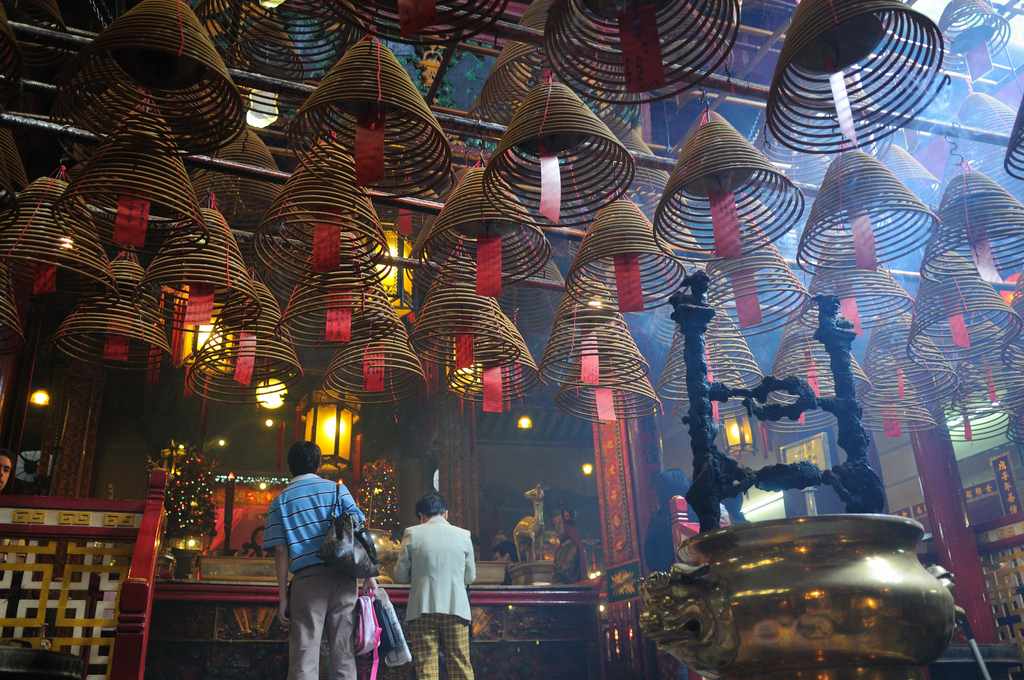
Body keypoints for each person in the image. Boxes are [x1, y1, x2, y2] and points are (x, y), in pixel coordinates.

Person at [262, 441, 374, 680]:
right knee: (344, 653)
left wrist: (283, 598)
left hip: (307, 581)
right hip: (344, 578)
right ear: (319, 464)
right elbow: (360, 531)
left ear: (290, 467)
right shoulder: (337, 490)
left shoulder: (279, 502)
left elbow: (281, 552)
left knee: (304, 653)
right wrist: (370, 576)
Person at [394, 492, 475, 680]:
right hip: (456, 609)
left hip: (423, 608)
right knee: (460, 665)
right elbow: (470, 577)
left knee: (426, 667)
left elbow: (399, 576)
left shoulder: (412, 533)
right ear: (446, 514)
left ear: (421, 516)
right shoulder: (464, 535)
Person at [552, 503, 586, 585]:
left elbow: (564, 571)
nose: (557, 532)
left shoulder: (574, 547)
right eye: (556, 528)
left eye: (559, 528)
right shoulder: (560, 549)